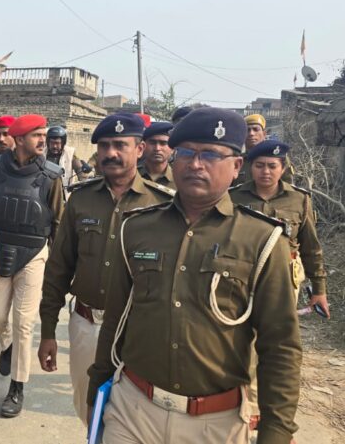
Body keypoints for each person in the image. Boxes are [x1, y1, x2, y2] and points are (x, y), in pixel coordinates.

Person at [88, 107, 302, 444]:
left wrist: (276, 430)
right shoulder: (137, 228)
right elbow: (116, 318)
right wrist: (96, 393)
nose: (196, 164)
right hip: (133, 409)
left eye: (211, 155)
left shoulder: (263, 240)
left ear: (236, 166)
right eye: (186, 153)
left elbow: (280, 346)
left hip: (214, 423)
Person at [38, 113, 172, 426]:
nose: (111, 153)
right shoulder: (81, 200)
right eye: (104, 146)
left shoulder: (163, 205)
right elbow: (58, 269)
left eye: (120, 145)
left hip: (139, 330)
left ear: (139, 149)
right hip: (88, 324)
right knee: (88, 409)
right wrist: (47, 332)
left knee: (134, 415)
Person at [0, 114, 65, 418]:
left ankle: (17, 387)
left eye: (44, 134)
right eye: (36, 135)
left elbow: (58, 221)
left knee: (24, 322)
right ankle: (6, 345)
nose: (44, 140)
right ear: (19, 140)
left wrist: (57, 265)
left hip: (34, 253)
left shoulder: (52, 176)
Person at [229, 140, 329, 317]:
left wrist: (319, 290)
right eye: (259, 166)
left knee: (279, 325)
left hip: (283, 277)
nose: (266, 171)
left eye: (272, 166)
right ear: (251, 168)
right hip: (241, 275)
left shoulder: (299, 199)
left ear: (282, 169)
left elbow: (311, 248)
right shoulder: (232, 197)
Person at [235, 114, 293, 185]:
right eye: (248, 130)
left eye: (256, 129)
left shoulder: (277, 157)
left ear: (264, 133)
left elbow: (288, 185)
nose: (251, 133)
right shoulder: (237, 160)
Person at [139, 120, 176, 193]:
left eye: (163, 143)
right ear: (143, 146)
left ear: (172, 149)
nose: (157, 148)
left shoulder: (179, 179)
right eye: (152, 143)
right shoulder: (131, 175)